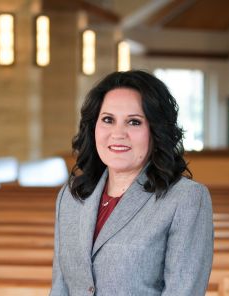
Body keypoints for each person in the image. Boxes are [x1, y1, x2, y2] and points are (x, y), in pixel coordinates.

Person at [50, 70, 214, 296]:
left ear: (155, 131)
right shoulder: (71, 197)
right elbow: (61, 288)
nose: (118, 133)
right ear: (93, 127)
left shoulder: (185, 199)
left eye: (134, 122)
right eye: (108, 120)